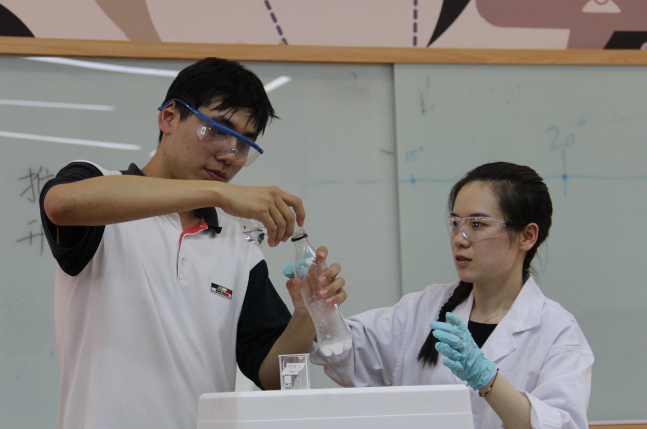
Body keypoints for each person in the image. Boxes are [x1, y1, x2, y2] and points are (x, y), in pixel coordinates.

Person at [39, 57, 346, 429]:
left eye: (244, 143)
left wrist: (307, 315)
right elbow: (61, 205)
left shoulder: (240, 247)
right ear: (168, 117)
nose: (229, 154)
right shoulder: (98, 186)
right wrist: (219, 193)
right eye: (217, 129)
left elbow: (275, 378)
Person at [310, 162, 594, 429]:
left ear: (528, 236)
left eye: (477, 224)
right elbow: (342, 351)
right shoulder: (422, 309)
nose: (460, 238)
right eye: (456, 223)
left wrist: (488, 380)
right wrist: (314, 307)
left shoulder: (557, 331)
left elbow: (560, 424)